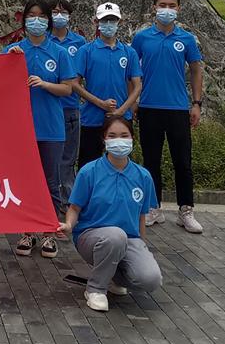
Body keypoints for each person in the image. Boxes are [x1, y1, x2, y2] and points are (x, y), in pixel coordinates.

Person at [59, 116, 162, 312]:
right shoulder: (89, 172)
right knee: (115, 236)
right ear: (104, 139)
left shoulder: (143, 176)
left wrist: (142, 246)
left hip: (129, 239)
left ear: (132, 138)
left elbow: (141, 216)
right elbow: (74, 207)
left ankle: (113, 277)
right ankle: (96, 289)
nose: (118, 140)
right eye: (112, 136)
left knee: (150, 279)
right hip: (92, 237)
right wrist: (69, 225)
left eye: (124, 135)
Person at [6, 0, 75, 259]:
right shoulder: (14, 51)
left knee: (50, 182)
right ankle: (27, 232)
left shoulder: (59, 52)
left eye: (42, 16)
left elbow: (68, 89)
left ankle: (48, 232)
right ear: (24, 20)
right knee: (24, 182)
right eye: (31, 16)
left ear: (48, 21)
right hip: (21, 129)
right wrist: (9, 62)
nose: (37, 20)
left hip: (51, 128)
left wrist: (45, 84)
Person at [132, 0, 205, 234]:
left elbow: (196, 70)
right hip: (149, 107)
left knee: (182, 162)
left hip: (178, 109)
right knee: (151, 161)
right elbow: (131, 71)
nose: (167, 9)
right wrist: (133, 101)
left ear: (179, 8)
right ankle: (153, 208)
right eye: (162, 5)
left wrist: (196, 103)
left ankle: (186, 210)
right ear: (154, 7)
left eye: (172, 5)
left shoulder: (186, 39)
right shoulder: (142, 38)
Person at [76, 2, 142, 166]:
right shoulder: (86, 51)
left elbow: (137, 85)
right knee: (89, 164)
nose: (108, 24)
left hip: (121, 119)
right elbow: (75, 84)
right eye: (104, 20)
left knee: (120, 163)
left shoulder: (129, 52)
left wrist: (121, 110)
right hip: (92, 118)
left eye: (112, 20)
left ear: (120, 22)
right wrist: (100, 103)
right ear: (96, 22)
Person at [47, 0, 87, 209]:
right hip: (47, 108)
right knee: (48, 157)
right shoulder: (43, 40)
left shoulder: (79, 43)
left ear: (70, 16)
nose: (59, 16)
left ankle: (68, 201)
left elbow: (79, 77)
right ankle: (49, 200)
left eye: (63, 12)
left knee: (68, 158)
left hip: (70, 107)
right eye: (54, 12)